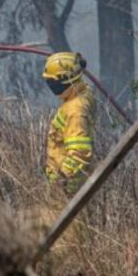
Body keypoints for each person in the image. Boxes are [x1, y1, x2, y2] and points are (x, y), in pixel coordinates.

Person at [43, 51, 96, 195]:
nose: (50, 85)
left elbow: (80, 152)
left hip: (69, 189)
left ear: (65, 79)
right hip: (71, 185)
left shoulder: (75, 109)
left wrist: (62, 180)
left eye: (52, 81)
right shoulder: (80, 93)